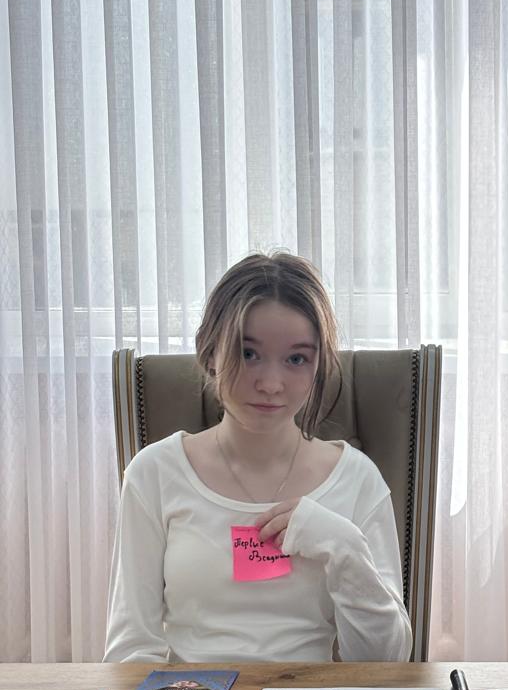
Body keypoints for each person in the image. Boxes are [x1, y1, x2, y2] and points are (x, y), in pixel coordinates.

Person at [104, 252, 412, 664]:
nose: (270, 383)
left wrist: (342, 548)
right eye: (248, 354)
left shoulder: (357, 480)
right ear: (210, 352)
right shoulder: (153, 474)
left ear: (318, 367)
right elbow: (130, 652)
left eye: (296, 359)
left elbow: (386, 663)